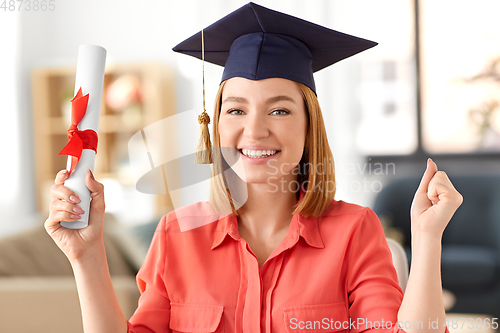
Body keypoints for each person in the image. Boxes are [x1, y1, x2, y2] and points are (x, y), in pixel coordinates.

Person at [45, 3, 462, 333]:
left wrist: (427, 240)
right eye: (236, 109)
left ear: (308, 127)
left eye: (279, 110)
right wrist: (86, 257)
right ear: (215, 125)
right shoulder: (176, 236)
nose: (255, 130)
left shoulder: (355, 232)